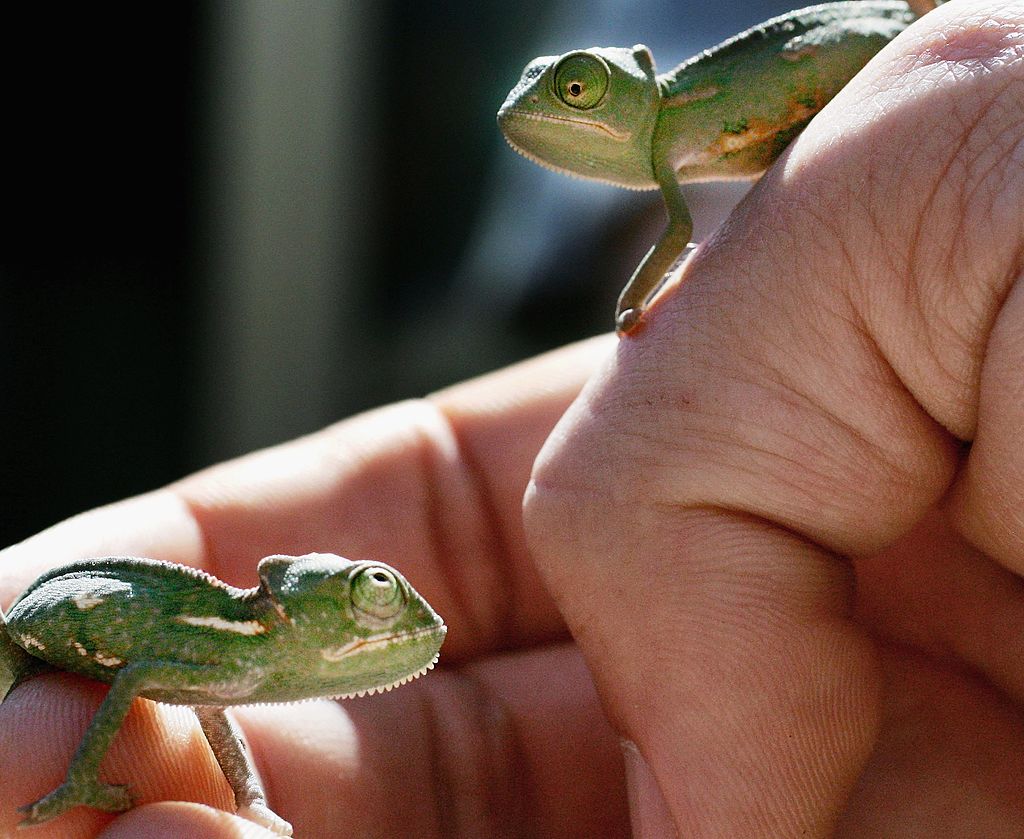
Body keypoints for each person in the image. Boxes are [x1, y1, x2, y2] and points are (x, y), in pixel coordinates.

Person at [2, 1, 1021, 835]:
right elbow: (154, 675)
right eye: (364, 594)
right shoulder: (231, 646)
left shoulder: (675, 137)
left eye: (577, 89)